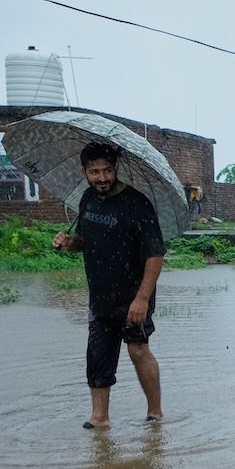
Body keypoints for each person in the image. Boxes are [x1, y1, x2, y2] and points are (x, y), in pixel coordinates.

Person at [53, 143, 167, 429]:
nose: (101, 178)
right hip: (100, 296)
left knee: (138, 349)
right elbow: (83, 242)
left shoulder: (137, 204)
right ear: (84, 172)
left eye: (107, 170)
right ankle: (100, 418)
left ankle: (155, 414)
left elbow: (155, 254)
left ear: (116, 169)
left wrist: (142, 299)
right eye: (94, 172)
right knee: (98, 354)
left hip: (133, 295)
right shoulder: (87, 199)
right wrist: (69, 243)